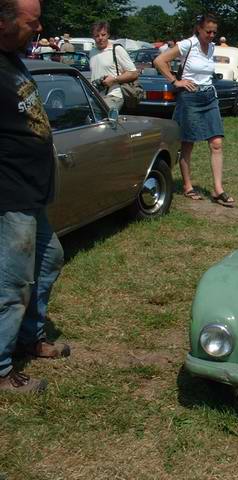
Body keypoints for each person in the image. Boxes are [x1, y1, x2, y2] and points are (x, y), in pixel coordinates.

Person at [0, 0, 69, 394]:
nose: (40, 28)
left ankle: (31, 337)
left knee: (49, 259)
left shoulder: (12, 58)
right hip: (9, 196)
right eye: (32, 22)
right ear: (3, 23)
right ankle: (2, 368)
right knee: (11, 284)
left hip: (30, 192)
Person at [153, 14, 235, 206]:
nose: (211, 35)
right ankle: (188, 187)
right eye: (208, 31)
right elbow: (159, 61)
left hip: (209, 97)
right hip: (189, 98)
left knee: (216, 143)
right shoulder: (187, 44)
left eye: (214, 32)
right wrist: (176, 81)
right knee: (188, 144)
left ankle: (217, 189)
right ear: (199, 29)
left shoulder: (213, 47)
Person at [89, 21, 139, 112]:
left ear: (108, 35)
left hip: (114, 95)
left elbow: (134, 73)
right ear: (93, 37)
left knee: (106, 121)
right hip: (96, 96)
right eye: (97, 36)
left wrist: (114, 80)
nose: (100, 38)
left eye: (103, 35)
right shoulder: (92, 52)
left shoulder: (117, 50)